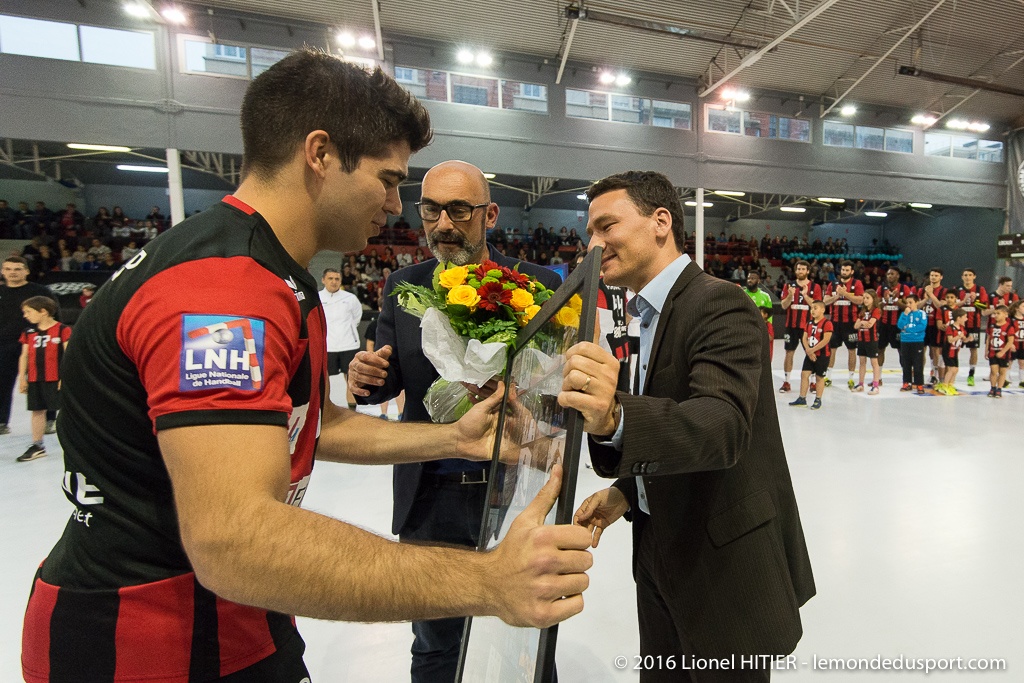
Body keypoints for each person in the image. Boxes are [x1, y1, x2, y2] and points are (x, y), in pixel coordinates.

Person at [21, 50, 593, 683]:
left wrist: (453, 436)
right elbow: (235, 540)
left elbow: (306, 424)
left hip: (237, 622)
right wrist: (487, 581)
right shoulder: (222, 291)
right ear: (319, 154)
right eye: (387, 178)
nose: (398, 204)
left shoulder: (272, 277)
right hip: (149, 641)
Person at [563, 171, 814, 681]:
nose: (594, 245)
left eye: (606, 226)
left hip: (720, 561)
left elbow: (721, 426)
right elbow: (674, 416)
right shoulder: (649, 313)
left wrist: (615, 415)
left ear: (661, 222)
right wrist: (630, 492)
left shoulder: (720, 303)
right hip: (660, 548)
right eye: (588, 233)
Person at [346, 159, 562, 682]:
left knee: (526, 635)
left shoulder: (539, 284)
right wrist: (365, 375)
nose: (443, 224)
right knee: (436, 640)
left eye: (458, 210)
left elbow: (557, 386)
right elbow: (393, 379)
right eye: (431, 210)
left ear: (488, 215)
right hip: (431, 492)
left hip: (513, 486)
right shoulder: (402, 285)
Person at [0, 256, 55, 436]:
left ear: (26, 271)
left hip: (36, 343)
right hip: (5, 344)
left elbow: (55, 316)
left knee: (42, 383)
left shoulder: (39, 291)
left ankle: (48, 420)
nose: (12, 272)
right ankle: (1, 421)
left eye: (17, 269)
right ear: (2, 271)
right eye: (8, 269)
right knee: (2, 383)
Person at [15, 296, 71, 462]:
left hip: (55, 378)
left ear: (43, 311)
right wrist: (22, 379)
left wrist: (65, 376)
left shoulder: (62, 330)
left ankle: (72, 445)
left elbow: (68, 354)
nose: (25, 315)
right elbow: (24, 356)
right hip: (34, 378)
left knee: (65, 412)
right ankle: (37, 445)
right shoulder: (28, 332)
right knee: (37, 411)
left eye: (28, 311)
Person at [320, 267, 363, 408]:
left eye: (337, 279)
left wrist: (348, 332)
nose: (334, 282)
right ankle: (325, 410)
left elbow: (357, 318)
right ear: (323, 280)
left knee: (351, 379)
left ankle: (352, 412)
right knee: (324, 380)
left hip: (348, 345)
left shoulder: (350, 298)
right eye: (330, 278)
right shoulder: (317, 298)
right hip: (327, 346)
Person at [779, 260, 822, 392]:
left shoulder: (815, 287)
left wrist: (805, 295)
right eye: (798, 269)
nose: (800, 271)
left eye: (803, 269)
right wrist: (790, 295)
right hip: (791, 326)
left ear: (808, 271)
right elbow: (783, 305)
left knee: (811, 352)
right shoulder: (789, 286)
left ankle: (813, 382)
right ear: (795, 270)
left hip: (808, 327)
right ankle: (786, 382)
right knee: (789, 353)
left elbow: (817, 306)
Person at [822, 259, 864, 388]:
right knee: (831, 349)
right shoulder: (833, 284)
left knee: (852, 350)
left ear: (852, 271)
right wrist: (837, 296)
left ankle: (851, 378)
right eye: (843, 270)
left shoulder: (857, 284)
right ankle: (828, 377)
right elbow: (825, 301)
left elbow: (860, 300)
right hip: (834, 323)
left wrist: (845, 294)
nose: (844, 272)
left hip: (850, 323)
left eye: (847, 270)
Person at [790, 300, 832, 410]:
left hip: (822, 356)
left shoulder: (827, 323)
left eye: (815, 308)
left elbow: (826, 340)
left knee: (819, 377)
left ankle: (818, 399)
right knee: (804, 375)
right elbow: (804, 337)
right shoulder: (808, 323)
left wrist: (812, 350)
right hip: (810, 355)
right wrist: (808, 351)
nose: (812, 310)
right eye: (811, 308)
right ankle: (802, 398)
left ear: (823, 310)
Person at [876, 267, 912, 377]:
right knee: (880, 349)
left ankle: (906, 377)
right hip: (883, 324)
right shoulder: (881, 289)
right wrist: (884, 301)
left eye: (892, 274)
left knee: (901, 351)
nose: (890, 276)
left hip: (898, 325)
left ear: (898, 276)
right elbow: (876, 306)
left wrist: (896, 300)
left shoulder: (903, 289)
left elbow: (908, 306)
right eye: (888, 274)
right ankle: (878, 377)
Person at [955, 268, 988, 386]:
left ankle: (971, 374)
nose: (967, 277)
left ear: (974, 276)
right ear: (962, 277)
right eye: (965, 275)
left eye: (970, 275)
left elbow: (984, 307)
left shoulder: (980, 289)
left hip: (974, 324)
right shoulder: (957, 290)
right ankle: (952, 371)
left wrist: (975, 300)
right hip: (959, 325)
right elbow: (953, 305)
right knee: (954, 348)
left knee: (973, 349)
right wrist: (964, 301)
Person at [917, 268, 947, 387]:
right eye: (932, 275)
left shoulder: (944, 291)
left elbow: (940, 305)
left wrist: (931, 295)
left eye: (936, 275)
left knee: (934, 350)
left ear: (941, 277)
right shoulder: (921, 290)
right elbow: (917, 306)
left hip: (935, 324)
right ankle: (919, 375)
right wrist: (925, 298)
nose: (933, 277)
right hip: (922, 324)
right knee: (921, 351)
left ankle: (934, 374)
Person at [897, 294, 928, 394]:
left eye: (911, 302)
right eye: (907, 303)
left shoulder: (921, 313)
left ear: (917, 302)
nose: (908, 305)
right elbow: (900, 325)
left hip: (917, 341)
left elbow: (922, 326)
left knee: (918, 363)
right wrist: (905, 315)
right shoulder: (904, 314)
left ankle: (919, 384)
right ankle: (906, 383)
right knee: (906, 363)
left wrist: (908, 329)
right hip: (905, 341)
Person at [853, 289, 881, 394]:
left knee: (874, 363)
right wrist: (863, 322)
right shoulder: (862, 311)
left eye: (867, 298)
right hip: (861, 340)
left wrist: (862, 322)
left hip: (872, 340)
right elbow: (855, 326)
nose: (865, 300)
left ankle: (876, 385)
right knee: (862, 362)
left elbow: (870, 324)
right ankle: (860, 384)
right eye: (864, 298)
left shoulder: (876, 310)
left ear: (873, 299)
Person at [986, 305, 1016, 398]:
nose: (995, 315)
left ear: (1005, 315)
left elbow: (1010, 341)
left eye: (998, 313)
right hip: (992, 352)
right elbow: (988, 338)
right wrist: (986, 350)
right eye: (994, 313)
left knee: (1002, 371)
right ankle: (993, 387)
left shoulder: (1009, 327)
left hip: (1004, 353)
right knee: (993, 370)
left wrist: (1003, 352)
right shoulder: (992, 326)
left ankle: (999, 389)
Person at [744, 270, 774, 361]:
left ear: (758, 281)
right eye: (748, 278)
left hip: (761, 330)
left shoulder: (765, 296)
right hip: (746, 329)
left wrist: (768, 330)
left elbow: (770, 316)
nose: (750, 280)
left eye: (753, 278)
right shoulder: (742, 294)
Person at [937, 307, 968, 395]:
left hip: (955, 352)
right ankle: (944, 386)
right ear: (959, 318)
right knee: (951, 369)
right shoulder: (950, 328)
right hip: (948, 351)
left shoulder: (962, 328)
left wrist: (968, 339)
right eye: (965, 317)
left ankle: (951, 385)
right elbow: (950, 340)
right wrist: (959, 336)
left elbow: (964, 339)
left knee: (956, 369)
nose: (966, 319)